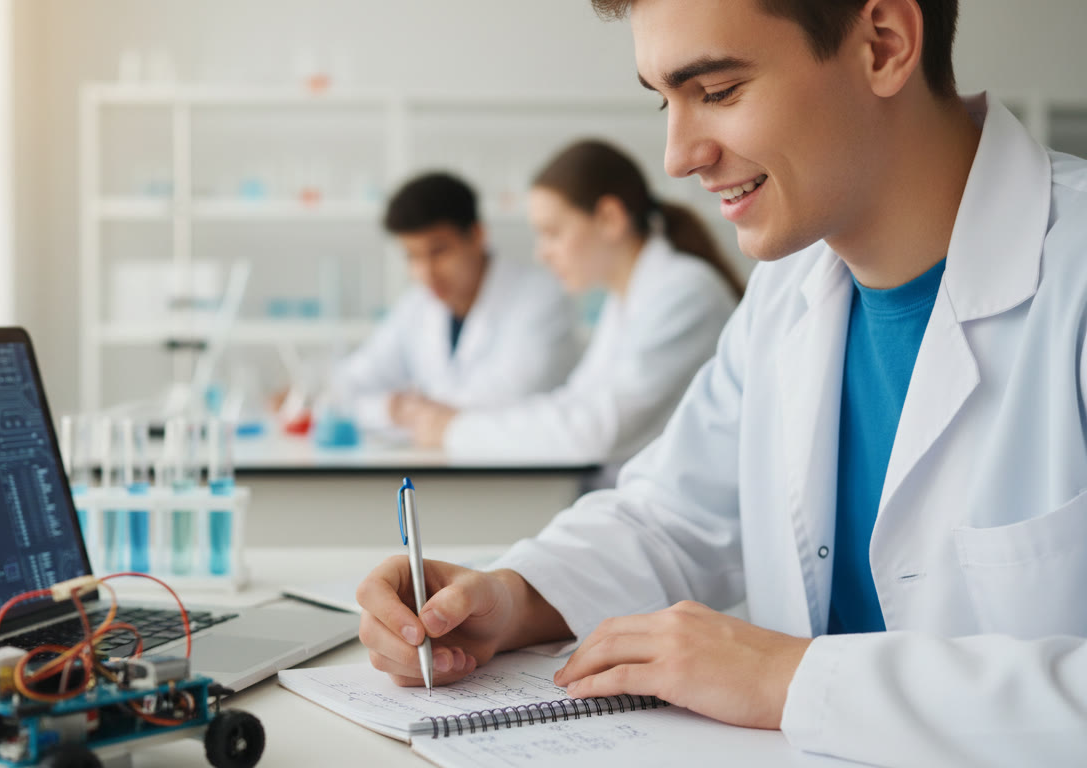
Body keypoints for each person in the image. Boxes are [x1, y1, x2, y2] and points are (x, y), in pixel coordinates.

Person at [355, 0, 1087, 765]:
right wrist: (509, 597)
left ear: (883, 44)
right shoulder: (788, 288)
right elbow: (672, 514)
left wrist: (788, 677)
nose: (676, 157)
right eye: (662, 99)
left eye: (718, 90)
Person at [392, 140, 740, 482]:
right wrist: (458, 422)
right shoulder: (628, 299)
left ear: (608, 218)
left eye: (552, 233)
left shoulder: (684, 293)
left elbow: (594, 431)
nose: (542, 253)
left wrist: (455, 431)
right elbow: (573, 403)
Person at [324, 171, 577, 431]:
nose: (426, 272)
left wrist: (414, 411)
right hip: (436, 462)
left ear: (477, 236)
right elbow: (347, 386)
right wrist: (391, 409)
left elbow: (513, 398)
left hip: (522, 467)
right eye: (412, 256)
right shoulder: (416, 305)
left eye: (439, 251)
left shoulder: (539, 297)